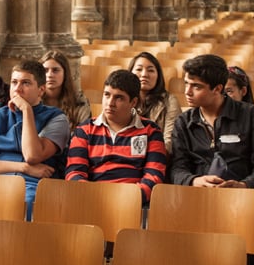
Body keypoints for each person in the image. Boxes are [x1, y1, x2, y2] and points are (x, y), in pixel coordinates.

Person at [169, 54, 254, 212]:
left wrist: (244, 185)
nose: (187, 92)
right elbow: (176, 169)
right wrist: (194, 181)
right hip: (197, 200)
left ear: (217, 89)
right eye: (186, 83)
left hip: (242, 203)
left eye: (196, 86)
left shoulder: (252, 116)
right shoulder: (183, 122)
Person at [0, 60, 70, 209]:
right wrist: (23, 167)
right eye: (14, 82)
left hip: (35, 186)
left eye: (26, 83)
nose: (17, 89)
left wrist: (26, 110)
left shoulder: (57, 119)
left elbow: (32, 155)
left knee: (26, 203)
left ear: (41, 90)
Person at [65, 70, 167, 202]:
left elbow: (154, 176)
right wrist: (93, 197)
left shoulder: (151, 131)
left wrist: (127, 199)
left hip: (133, 203)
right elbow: (74, 173)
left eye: (119, 98)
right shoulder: (85, 130)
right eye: (107, 95)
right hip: (91, 200)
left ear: (133, 102)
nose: (110, 103)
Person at [129, 52, 181, 154]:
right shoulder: (124, 100)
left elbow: (169, 141)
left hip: (157, 157)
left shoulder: (170, 101)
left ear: (158, 76)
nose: (144, 74)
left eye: (151, 70)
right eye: (139, 69)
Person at [40, 50, 91, 132]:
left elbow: (83, 133)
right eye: (45, 70)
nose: (49, 75)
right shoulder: (34, 100)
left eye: (55, 70)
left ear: (65, 73)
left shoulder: (79, 101)